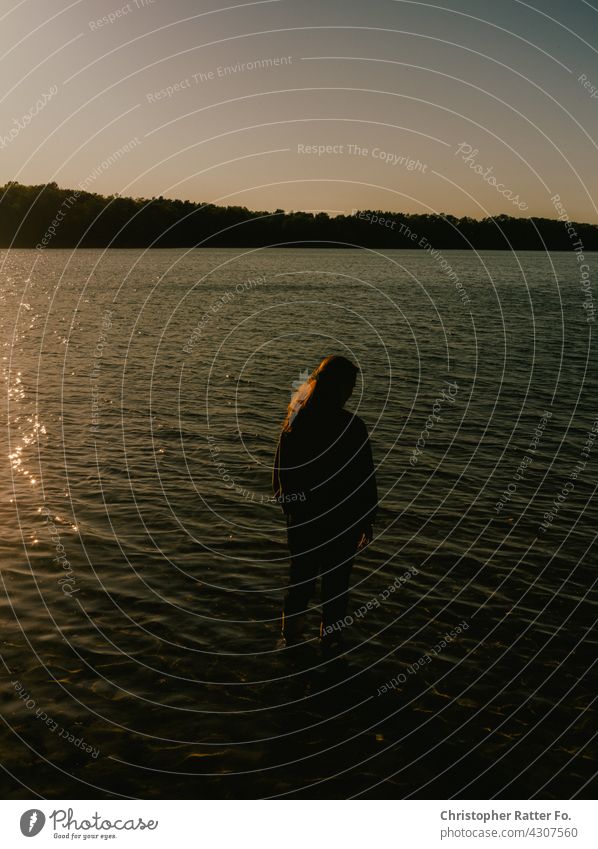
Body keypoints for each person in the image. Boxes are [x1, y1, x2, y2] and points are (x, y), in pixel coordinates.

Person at [272, 355, 378, 654]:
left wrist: (291, 509)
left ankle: (289, 640)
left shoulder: (296, 421)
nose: (352, 392)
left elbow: (281, 476)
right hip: (339, 521)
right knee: (336, 587)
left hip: (305, 519)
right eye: (350, 385)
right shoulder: (351, 427)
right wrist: (367, 520)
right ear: (338, 387)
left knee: (300, 580)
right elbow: (364, 479)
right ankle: (330, 644)